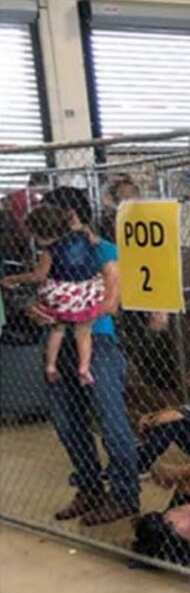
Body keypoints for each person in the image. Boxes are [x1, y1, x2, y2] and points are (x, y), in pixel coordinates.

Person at [35, 187, 139, 526]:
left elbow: (110, 302)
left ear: (69, 213)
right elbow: (42, 296)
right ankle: (90, 487)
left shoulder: (102, 250)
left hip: (98, 342)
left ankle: (125, 494)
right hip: (59, 341)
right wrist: (39, 310)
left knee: (111, 422)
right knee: (67, 423)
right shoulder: (51, 251)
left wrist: (67, 314)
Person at [0, 204, 105, 386]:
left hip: (61, 296)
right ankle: (84, 367)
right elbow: (93, 238)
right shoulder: (83, 236)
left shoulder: (49, 251)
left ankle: (50, 365)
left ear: (39, 234)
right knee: (83, 331)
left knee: (57, 330)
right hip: (85, 292)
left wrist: (13, 279)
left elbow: (38, 276)